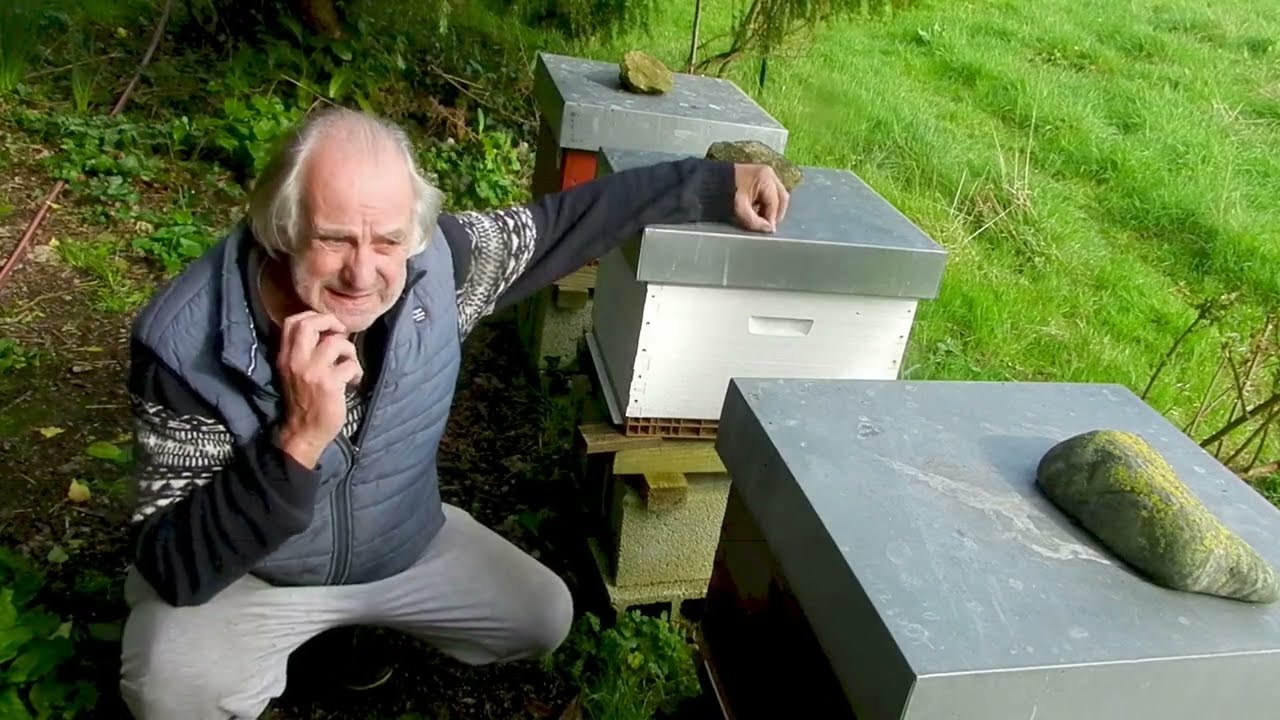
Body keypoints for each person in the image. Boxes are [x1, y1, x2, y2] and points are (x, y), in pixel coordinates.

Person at [117, 105, 790, 719]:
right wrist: (293, 445)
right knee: (170, 692)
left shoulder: (441, 265)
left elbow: (563, 224)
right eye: (334, 239)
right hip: (259, 576)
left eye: (386, 241)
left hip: (402, 548)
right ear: (282, 228)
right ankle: (300, 639)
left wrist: (713, 184)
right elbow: (172, 562)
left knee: (542, 615)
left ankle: (353, 628)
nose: (362, 274)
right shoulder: (186, 345)